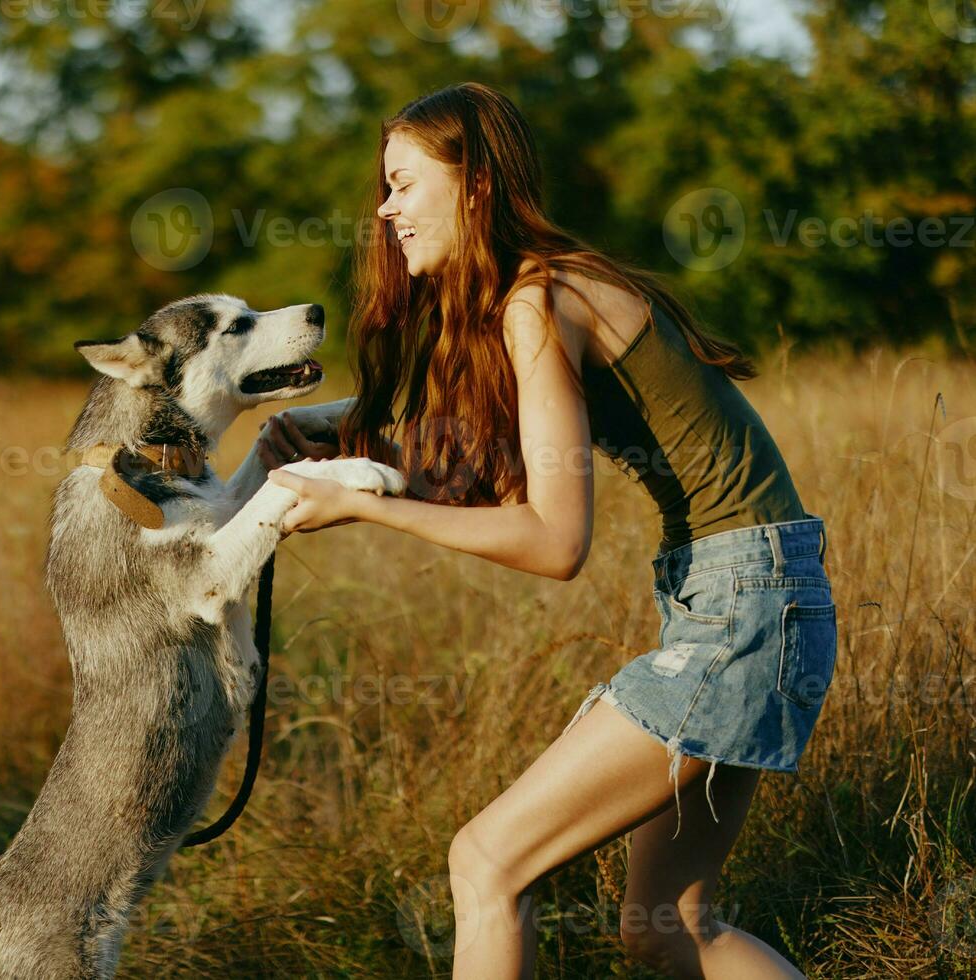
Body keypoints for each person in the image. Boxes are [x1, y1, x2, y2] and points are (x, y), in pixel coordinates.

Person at [256, 82, 836, 979]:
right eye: (386, 186)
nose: (387, 208)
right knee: (669, 928)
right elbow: (477, 450)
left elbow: (555, 543)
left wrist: (364, 502)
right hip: (750, 597)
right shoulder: (539, 293)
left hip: (746, 609)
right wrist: (341, 432)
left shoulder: (538, 299)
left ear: (475, 185)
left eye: (406, 184)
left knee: (486, 864)